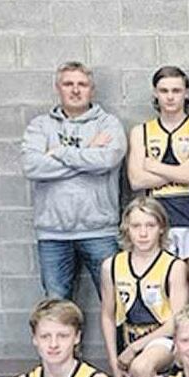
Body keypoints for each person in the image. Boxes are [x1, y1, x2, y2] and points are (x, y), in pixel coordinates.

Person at [21, 61, 127, 300]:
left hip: (100, 231)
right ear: (58, 88)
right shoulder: (40, 125)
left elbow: (107, 160)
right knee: (56, 305)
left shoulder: (108, 124)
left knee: (116, 302)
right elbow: (32, 166)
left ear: (92, 89)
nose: (76, 90)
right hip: (53, 234)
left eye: (82, 84)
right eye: (68, 84)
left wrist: (58, 153)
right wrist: (88, 153)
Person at [100, 197, 189, 377]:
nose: (143, 233)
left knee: (141, 368)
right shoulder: (112, 266)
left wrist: (135, 348)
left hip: (163, 340)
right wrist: (113, 362)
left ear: (161, 228)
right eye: (136, 226)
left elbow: (177, 321)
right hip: (129, 339)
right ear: (126, 229)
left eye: (150, 225)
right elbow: (108, 316)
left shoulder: (174, 266)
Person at [126, 66, 189, 293]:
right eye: (164, 91)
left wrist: (152, 166)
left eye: (176, 90)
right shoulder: (141, 132)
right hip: (157, 223)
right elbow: (136, 180)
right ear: (155, 93)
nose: (170, 97)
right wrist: (182, 171)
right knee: (165, 291)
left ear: (187, 93)